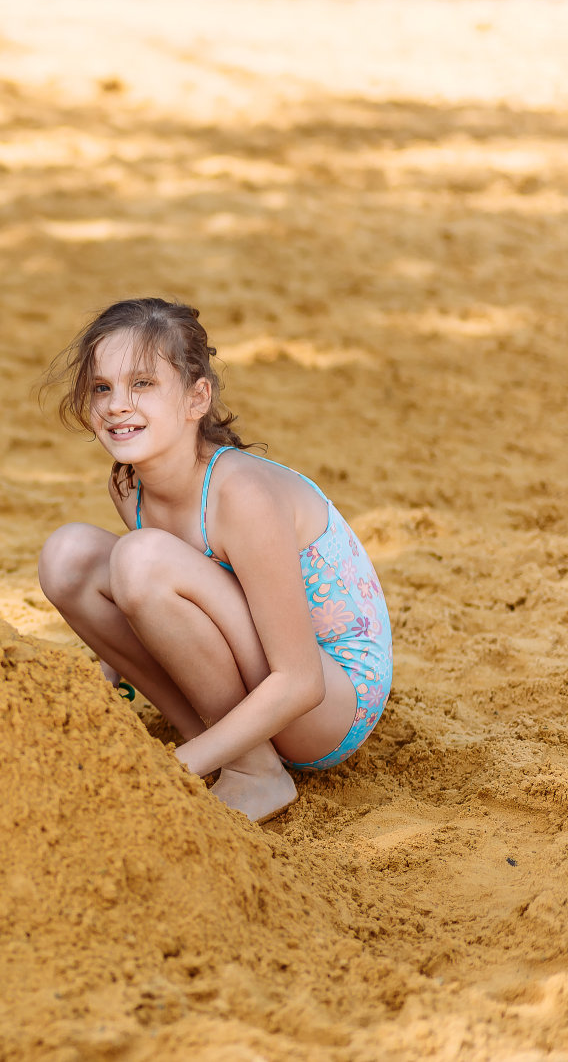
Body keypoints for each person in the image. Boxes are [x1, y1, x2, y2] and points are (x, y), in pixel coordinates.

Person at [37, 299, 391, 822]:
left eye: (143, 384)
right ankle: (224, 747)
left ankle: (253, 772)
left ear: (196, 398)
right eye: (102, 387)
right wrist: (102, 689)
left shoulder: (240, 493)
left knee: (140, 559)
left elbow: (301, 680)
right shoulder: (130, 484)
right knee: (67, 556)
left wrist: (172, 770)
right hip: (260, 673)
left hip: (328, 703)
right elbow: (157, 606)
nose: (116, 405)